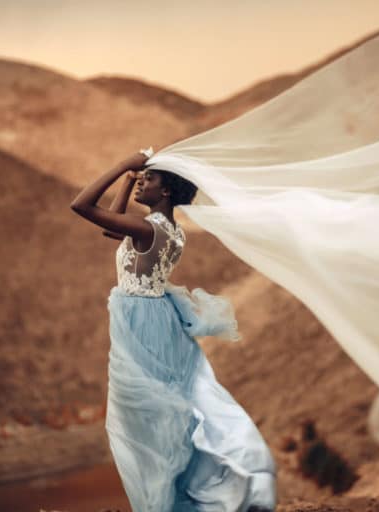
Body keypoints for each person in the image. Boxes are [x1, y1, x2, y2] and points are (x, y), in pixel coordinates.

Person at [70, 147, 277, 511]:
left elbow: (82, 206)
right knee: (158, 417)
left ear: (165, 191)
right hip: (155, 317)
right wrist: (130, 178)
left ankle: (165, 502)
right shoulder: (170, 231)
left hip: (142, 324)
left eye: (149, 178)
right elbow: (109, 226)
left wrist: (121, 163)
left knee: (141, 420)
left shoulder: (148, 228)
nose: (141, 183)